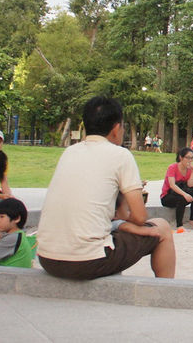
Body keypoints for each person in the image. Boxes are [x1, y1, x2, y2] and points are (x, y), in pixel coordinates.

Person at [37, 96, 175, 280]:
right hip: (86, 261)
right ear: (116, 129)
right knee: (163, 228)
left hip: (47, 258)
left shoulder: (70, 152)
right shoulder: (120, 155)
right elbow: (140, 217)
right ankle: (166, 290)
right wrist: (128, 222)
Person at [160, 148, 193, 230]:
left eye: (192, 158)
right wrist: (185, 194)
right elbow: (172, 185)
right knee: (181, 198)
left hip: (180, 194)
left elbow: (190, 185)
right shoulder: (172, 167)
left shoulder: (189, 169)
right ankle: (179, 225)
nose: (190, 160)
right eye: (188, 158)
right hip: (167, 196)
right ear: (181, 158)